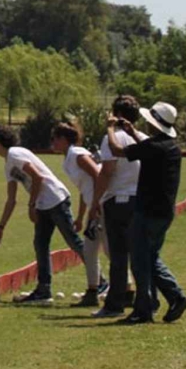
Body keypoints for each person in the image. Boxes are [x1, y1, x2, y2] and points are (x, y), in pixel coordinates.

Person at [0, 124, 87, 304]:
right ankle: (43, 290)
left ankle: (100, 282)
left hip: (56, 200)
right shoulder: (8, 164)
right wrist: (1, 227)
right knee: (40, 244)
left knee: (73, 241)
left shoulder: (16, 154)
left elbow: (38, 177)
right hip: (43, 204)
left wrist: (31, 205)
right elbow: (11, 200)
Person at [112, 102, 186, 325]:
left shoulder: (154, 147)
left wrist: (111, 130)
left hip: (146, 210)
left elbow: (119, 151)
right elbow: (148, 149)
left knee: (139, 261)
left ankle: (143, 310)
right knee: (151, 257)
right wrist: (131, 133)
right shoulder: (171, 147)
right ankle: (176, 297)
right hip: (164, 212)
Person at [88, 95, 143, 318]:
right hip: (139, 200)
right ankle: (146, 298)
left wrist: (95, 202)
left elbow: (107, 172)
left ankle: (114, 304)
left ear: (116, 115)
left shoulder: (112, 138)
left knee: (118, 255)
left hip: (118, 200)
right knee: (140, 253)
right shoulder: (142, 137)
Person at [55, 121, 108, 307]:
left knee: (109, 250)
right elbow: (83, 188)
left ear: (63, 139)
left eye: (55, 139)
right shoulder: (68, 159)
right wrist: (79, 217)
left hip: (102, 205)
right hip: (94, 206)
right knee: (90, 250)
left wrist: (96, 205)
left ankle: (127, 290)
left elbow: (97, 174)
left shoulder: (77, 154)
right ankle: (93, 292)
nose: (53, 143)